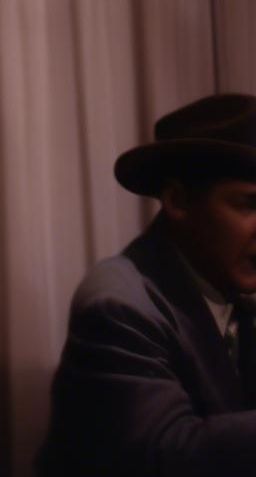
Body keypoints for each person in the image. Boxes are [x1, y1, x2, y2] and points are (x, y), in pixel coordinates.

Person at [37, 93, 256, 477]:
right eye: (248, 205)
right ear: (177, 200)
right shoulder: (119, 304)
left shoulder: (234, 284)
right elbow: (167, 455)